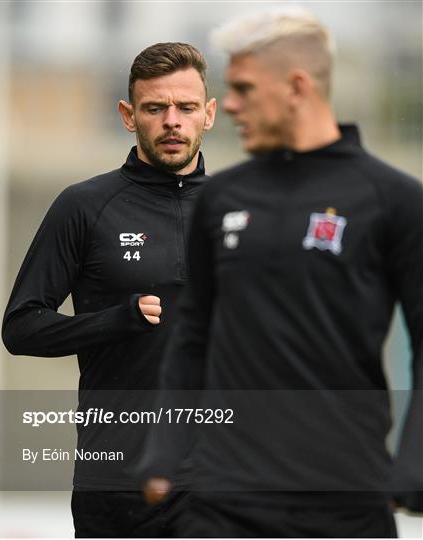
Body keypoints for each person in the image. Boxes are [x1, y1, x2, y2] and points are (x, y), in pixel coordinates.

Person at [142, 10, 422, 538]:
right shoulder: (222, 197)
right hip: (221, 497)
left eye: (244, 89)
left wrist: (414, 464)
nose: (233, 107)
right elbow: (192, 336)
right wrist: (163, 451)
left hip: (344, 496)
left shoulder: (394, 201)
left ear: (297, 86)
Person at [2, 42, 216, 538]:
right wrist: (118, 321)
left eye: (185, 108)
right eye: (155, 107)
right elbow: (21, 327)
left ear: (208, 114)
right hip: (118, 483)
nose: (171, 121)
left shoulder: (238, 212)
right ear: (128, 115)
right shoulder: (84, 206)